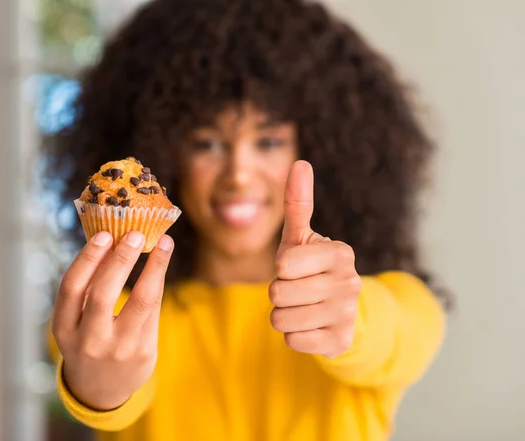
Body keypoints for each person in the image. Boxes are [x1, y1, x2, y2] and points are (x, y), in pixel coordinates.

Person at [45, 0, 448, 440]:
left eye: (269, 141)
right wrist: (98, 387)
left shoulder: (393, 304)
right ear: (166, 152)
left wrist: (353, 319)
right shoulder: (110, 313)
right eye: (207, 143)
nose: (238, 173)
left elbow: (395, 338)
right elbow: (111, 392)